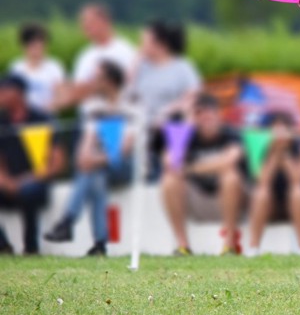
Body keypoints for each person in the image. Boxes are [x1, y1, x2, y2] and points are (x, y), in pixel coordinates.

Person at [43, 61, 135, 256]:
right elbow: (88, 139)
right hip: (101, 164)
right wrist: (83, 157)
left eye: (97, 78)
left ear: (109, 81)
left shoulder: (130, 103)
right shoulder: (93, 105)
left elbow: (125, 148)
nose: (92, 82)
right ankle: (99, 244)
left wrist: (92, 160)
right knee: (96, 179)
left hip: (126, 164)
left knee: (93, 172)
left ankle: (68, 222)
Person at [160, 93, 246, 256]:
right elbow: (170, 163)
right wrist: (186, 125)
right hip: (196, 197)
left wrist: (189, 169)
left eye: (209, 112)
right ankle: (183, 245)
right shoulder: (187, 135)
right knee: (169, 180)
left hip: (231, 198)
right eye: (199, 113)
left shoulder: (230, 133)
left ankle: (229, 246)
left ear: (218, 114)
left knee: (231, 177)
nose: (205, 117)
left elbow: (229, 162)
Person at [0, 74, 65, 255]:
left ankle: (31, 247)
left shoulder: (42, 118)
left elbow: (57, 161)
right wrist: (5, 181)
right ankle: (3, 245)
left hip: (37, 180)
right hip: (9, 183)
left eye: (5, 90)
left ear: (19, 93)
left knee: (29, 192)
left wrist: (26, 180)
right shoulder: (2, 123)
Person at [129, 20, 201, 179]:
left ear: (160, 44)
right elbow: (127, 91)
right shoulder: (142, 67)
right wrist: (136, 60)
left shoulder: (182, 67)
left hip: (170, 125)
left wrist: (168, 111)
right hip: (143, 126)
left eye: (144, 42)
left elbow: (193, 96)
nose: (141, 46)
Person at [247, 111, 300, 257]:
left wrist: (285, 155)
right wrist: (274, 154)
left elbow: (299, 179)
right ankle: (253, 247)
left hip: (297, 203)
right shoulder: (259, 148)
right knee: (261, 193)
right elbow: (262, 180)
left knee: (298, 192)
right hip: (270, 204)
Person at [54, 2, 136, 111]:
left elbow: (129, 86)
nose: (84, 26)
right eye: (82, 22)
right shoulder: (84, 55)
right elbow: (79, 88)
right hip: (90, 119)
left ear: (105, 21)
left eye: (89, 22)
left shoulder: (126, 52)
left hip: (117, 117)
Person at [9, 23, 66, 112]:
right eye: (33, 45)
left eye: (41, 45)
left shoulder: (54, 67)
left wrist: (46, 109)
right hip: (24, 120)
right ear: (24, 46)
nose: (37, 49)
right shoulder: (16, 68)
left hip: (47, 118)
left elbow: (61, 95)